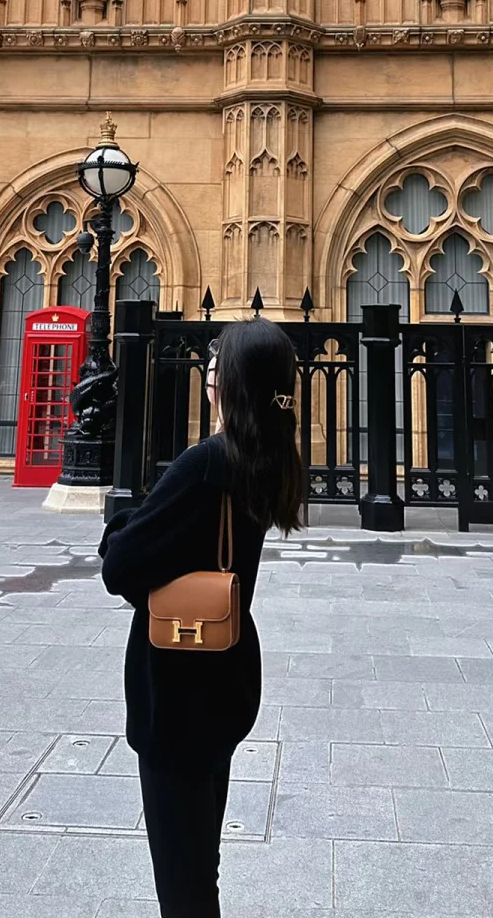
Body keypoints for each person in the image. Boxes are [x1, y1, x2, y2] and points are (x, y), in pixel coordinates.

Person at [99, 319, 304, 918]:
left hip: (177, 693)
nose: (207, 380)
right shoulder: (272, 457)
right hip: (226, 681)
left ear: (230, 385)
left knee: (182, 885)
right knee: (199, 863)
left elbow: (121, 565)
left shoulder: (205, 462)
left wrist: (121, 524)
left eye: (215, 371)